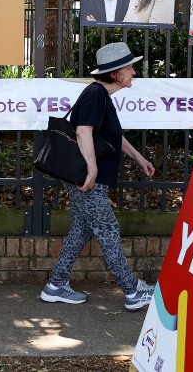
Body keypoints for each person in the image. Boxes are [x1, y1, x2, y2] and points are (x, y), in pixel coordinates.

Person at [40, 42, 156, 312]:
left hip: (89, 181)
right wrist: (92, 169)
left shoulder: (102, 96)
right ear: (116, 73)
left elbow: (113, 137)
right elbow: (83, 131)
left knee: (81, 231)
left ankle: (56, 285)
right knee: (108, 230)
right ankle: (132, 291)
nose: (134, 72)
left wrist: (138, 157)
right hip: (88, 181)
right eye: (129, 67)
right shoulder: (95, 95)